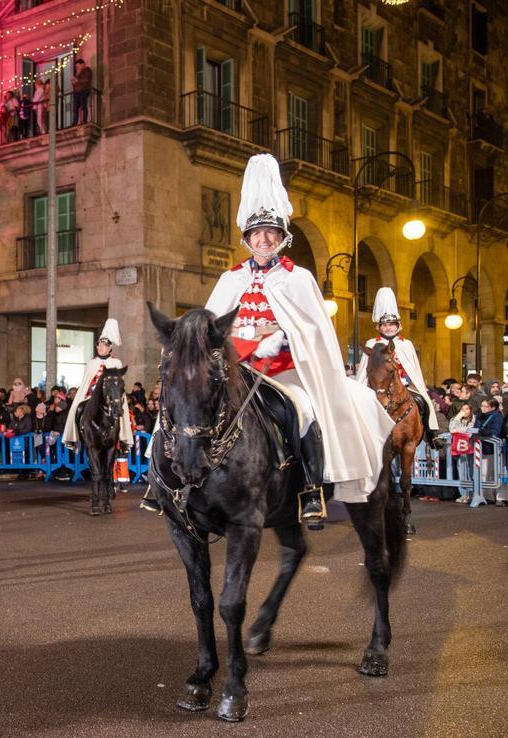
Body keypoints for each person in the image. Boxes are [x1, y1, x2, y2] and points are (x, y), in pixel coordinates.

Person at [156, 153, 394, 527]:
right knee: (185, 401)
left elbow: (314, 330)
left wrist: (284, 335)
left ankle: (312, 490)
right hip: (239, 369)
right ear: (247, 238)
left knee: (302, 411)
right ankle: (164, 483)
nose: (263, 240)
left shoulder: (297, 278)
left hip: (283, 369)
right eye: (256, 233)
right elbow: (210, 333)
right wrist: (244, 340)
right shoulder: (230, 279)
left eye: (270, 233)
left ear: (282, 238)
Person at [355, 288, 444, 449]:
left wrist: (409, 380)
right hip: (378, 387)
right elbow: (365, 370)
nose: (388, 328)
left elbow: (413, 368)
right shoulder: (371, 343)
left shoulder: (406, 344)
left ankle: (432, 434)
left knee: (423, 402)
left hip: (404, 384)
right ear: (379, 327)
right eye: (385, 325)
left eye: (391, 325)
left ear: (398, 325)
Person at [62, 319, 135, 453]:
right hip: (91, 396)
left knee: (121, 410)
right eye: (99, 345)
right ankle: (75, 436)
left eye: (103, 346)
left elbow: (118, 383)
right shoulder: (91, 363)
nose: (100, 348)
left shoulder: (116, 362)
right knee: (77, 409)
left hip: (110, 396)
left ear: (110, 348)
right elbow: (86, 382)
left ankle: (124, 440)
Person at [71, 58, 93, 124]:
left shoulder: (87, 70)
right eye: (76, 67)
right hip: (77, 92)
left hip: (83, 90)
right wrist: (73, 82)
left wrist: (77, 80)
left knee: (83, 106)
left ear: (83, 64)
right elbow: (75, 85)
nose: (77, 68)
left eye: (78, 66)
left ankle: (84, 120)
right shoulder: (77, 73)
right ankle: (75, 122)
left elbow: (86, 80)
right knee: (75, 108)